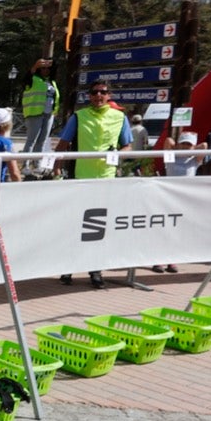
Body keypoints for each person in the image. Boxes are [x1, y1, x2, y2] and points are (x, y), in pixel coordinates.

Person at [54, 82, 132, 288]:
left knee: (99, 227)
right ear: (89, 96)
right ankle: (67, 268)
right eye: (94, 92)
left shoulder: (120, 117)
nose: (99, 95)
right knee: (76, 225)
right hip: (81, 178)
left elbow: (128, 146)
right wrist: (56, 166)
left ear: (109, 95)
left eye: (103, 92)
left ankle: (95, 271)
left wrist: (117, 155)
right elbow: (63, 144)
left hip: (107, 180)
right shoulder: (78, 117)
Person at [20, 57, 59, 154]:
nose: (46, 70)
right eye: (43, 68)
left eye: (48, 68)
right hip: (35, 114)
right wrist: (35, 66)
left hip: (49, 114)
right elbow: (25, 81)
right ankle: (26, 165)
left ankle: (37, 165)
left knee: (42, 141)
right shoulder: (33, 79)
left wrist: (53, 62)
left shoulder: (52, 82)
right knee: (31, 140)